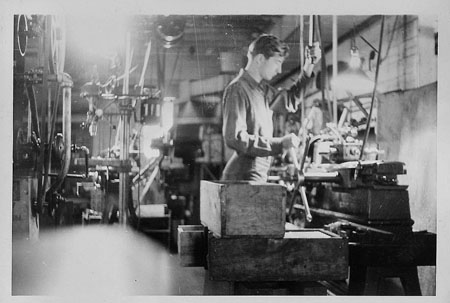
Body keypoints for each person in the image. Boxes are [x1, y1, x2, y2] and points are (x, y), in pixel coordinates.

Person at [221, 34, 321, 181]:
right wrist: (279, 144)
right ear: (260, 59)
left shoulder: (263, 91)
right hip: (244, 175)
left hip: (256, 172)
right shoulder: (237, 89)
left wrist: (309, 65)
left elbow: (291, 99)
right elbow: (235, 138)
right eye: (277, 62)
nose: (279, 70)